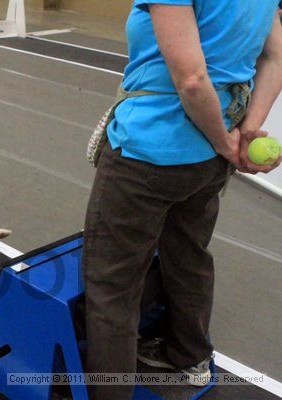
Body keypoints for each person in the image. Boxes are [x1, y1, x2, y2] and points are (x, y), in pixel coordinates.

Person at [82, 1, 282, 399]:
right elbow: (276, 57)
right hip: (207, 162)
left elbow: (191, 79)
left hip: (149, 154)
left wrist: (227, 142)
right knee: (188, 254)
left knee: (112, 288)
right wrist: (246, 131)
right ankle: (191, 358)